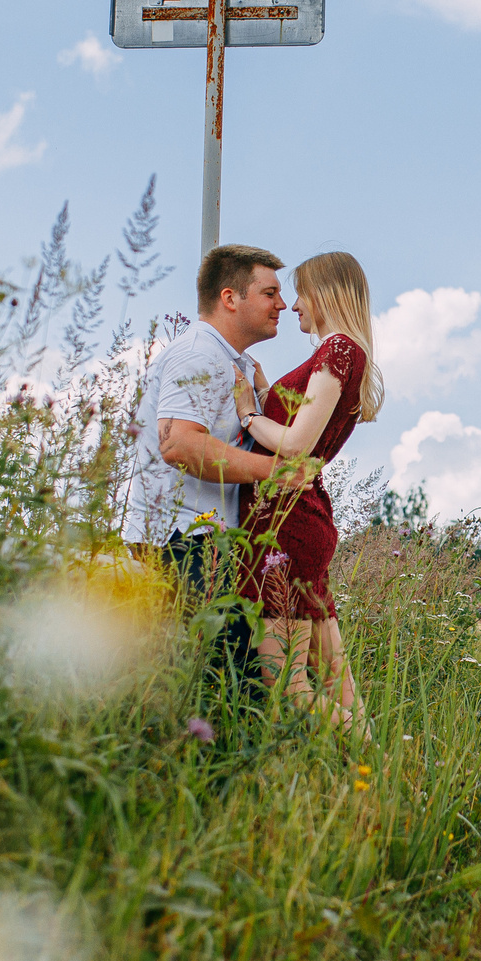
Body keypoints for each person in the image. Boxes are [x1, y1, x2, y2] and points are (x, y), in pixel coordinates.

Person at [128, 243, 312, 690]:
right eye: (269, 293)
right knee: (214, 686)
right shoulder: (199, 355)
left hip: (209, 542)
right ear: (231, 298)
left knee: (233, 685)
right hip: (183, 542)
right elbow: (179, 444)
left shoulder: (236, 362)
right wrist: (273, 474)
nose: (283, 305)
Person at [233, 250, 386, 729]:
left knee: (287, 689)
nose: (294, 305)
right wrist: (267, 393)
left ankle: (384, 775)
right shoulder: (343, 354)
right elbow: (304, 430)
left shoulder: (337, 350)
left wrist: (248, 414)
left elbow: (296, 446)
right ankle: (384, 780)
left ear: (325, 292)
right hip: (303, 518)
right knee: (336, 680)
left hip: (285, 527)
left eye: (300, 292)